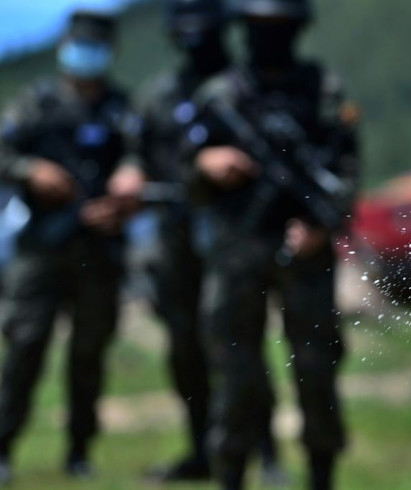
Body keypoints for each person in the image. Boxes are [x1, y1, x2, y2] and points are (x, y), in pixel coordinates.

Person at [186, 0, 361, 488]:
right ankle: (232, 472)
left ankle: (321, 473)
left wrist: (324, 227)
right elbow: (181, 168)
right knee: (236, 371)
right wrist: (206, 163)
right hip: (236, 248)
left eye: (279, 27)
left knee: (317, 368)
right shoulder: (219, 95)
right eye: (261, 27)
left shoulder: (322, 89)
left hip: (307, 250)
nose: (270, 37)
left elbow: (346, 166)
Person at [0, 10, 145, 485]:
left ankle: (80, 451)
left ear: (113, 51)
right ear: (64, 47)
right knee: (24, 347)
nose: (86, 53)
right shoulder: (35, 104)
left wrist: (128, 184)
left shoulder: (123, 109)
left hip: (99, 251)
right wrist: (29, 172)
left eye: (96, 44)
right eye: (79, 43)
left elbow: (142, 158)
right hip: (41, 247)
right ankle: (2, 447)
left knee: (89, 356)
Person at [133, 0, 226, 482]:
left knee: (237, 342)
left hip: (233, 235)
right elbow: (138, 156)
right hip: (175, 236)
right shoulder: (158, 96)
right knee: (184, 347)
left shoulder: (242, 86)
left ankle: (262, 451)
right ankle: (200, 449)